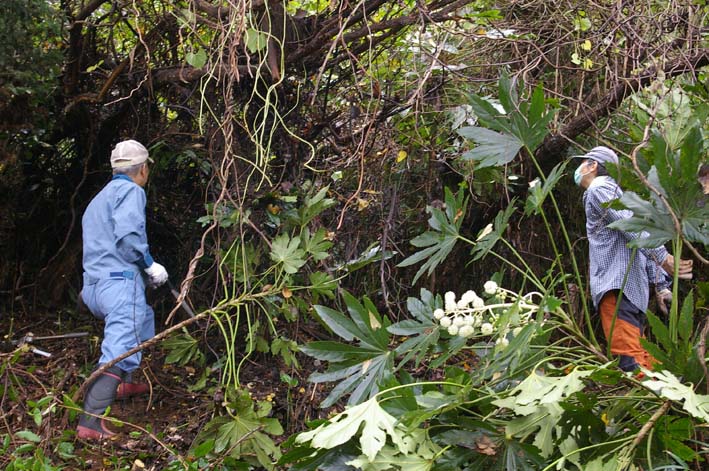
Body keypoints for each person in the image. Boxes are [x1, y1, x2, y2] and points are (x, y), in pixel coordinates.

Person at [77, 139, 169, 440]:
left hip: (94, 286)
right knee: (119, 348)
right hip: (118, 284)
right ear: (142, 169)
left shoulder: (98, 199)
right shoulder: (132, 191)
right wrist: (149, 265)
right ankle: (89, 424)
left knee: (142, 319)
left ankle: (124, 383)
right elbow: (128, 239)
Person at [573, 146, 693, 372]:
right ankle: (669, 400)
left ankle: (658, 400)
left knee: (630, 363)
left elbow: (632, 230)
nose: (578, 169)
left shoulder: (599, 189)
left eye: (582, 163)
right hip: (633, 292)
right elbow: (638, 237)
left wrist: (663, 258)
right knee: (642, 358)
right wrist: (661, 286)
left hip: (616, 288)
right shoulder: (621, 197)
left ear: (593, 165)